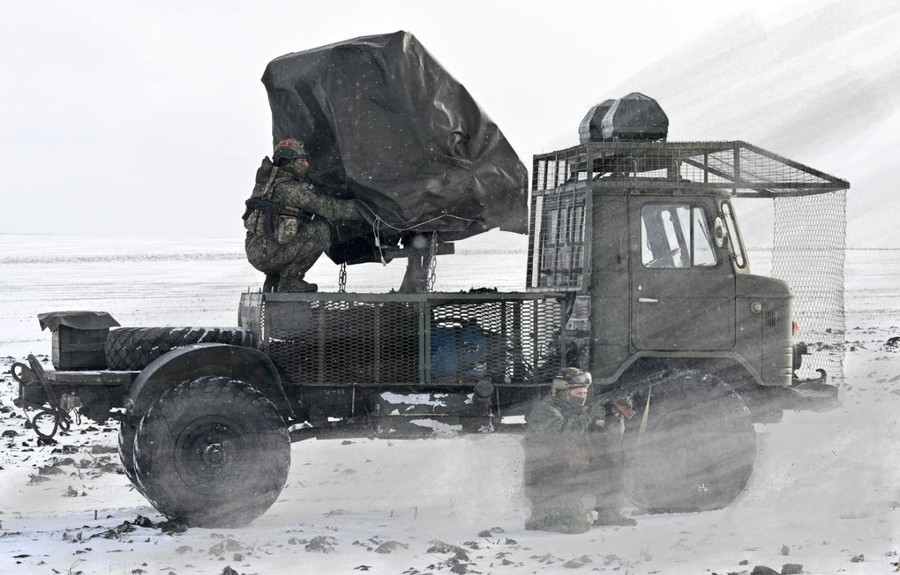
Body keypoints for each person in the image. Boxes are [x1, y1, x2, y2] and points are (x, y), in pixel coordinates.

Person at [523, 367, 636, 533]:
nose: (582, 397)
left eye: (585, 393)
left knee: (611, 460)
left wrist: (615, 417)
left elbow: (610, 442)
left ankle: (609, 513)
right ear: (562, 392)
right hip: (549, 480)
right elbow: (562, 436)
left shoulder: (583, 412)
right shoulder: (544, 410)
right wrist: (588, 416)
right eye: (578, 393)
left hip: (575, 473)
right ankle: (541, 516)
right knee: (578, 524)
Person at [243, 139, 364, 292]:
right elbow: (330, 208)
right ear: (290, 162)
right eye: (302, 160)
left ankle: (274, 278)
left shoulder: (268, 184)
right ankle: (291, 279)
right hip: (268, 253)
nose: (307, 164)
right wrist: (365, 211)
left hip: (258, 250)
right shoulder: (290, 188)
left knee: (300, 225)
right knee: (321, 231)